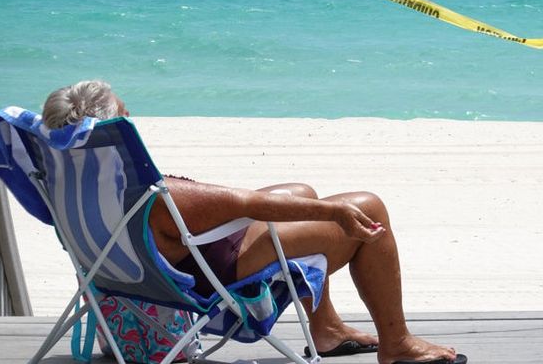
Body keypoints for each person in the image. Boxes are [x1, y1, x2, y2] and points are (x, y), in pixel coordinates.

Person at [42, 80, 467, 364]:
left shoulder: (71, 184)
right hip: (213, 273)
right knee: (369, 207)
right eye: (125, 114)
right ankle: (397, 344)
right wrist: (336, 213)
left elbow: (234, 205)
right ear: (113, 130)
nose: (132, 118)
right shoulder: (149, 194)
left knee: (299, 190)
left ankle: (328, 330)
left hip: (154, 267)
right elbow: (247, 202)